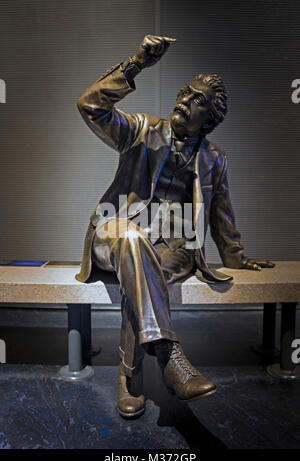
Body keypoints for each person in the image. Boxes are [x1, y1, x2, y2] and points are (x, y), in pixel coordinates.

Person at [76, 35, 275, 418]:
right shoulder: (141, 130)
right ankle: (169, 356)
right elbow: (90, 106)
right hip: (115, 230)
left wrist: (236, 256)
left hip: (175, 250)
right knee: (133, 241)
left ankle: (129, 377)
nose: (185, 100)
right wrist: (136, 63)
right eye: (185, 92)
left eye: (197, 100)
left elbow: (222, 215)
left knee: (143, 278)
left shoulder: (215, 159)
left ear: (211, 118)